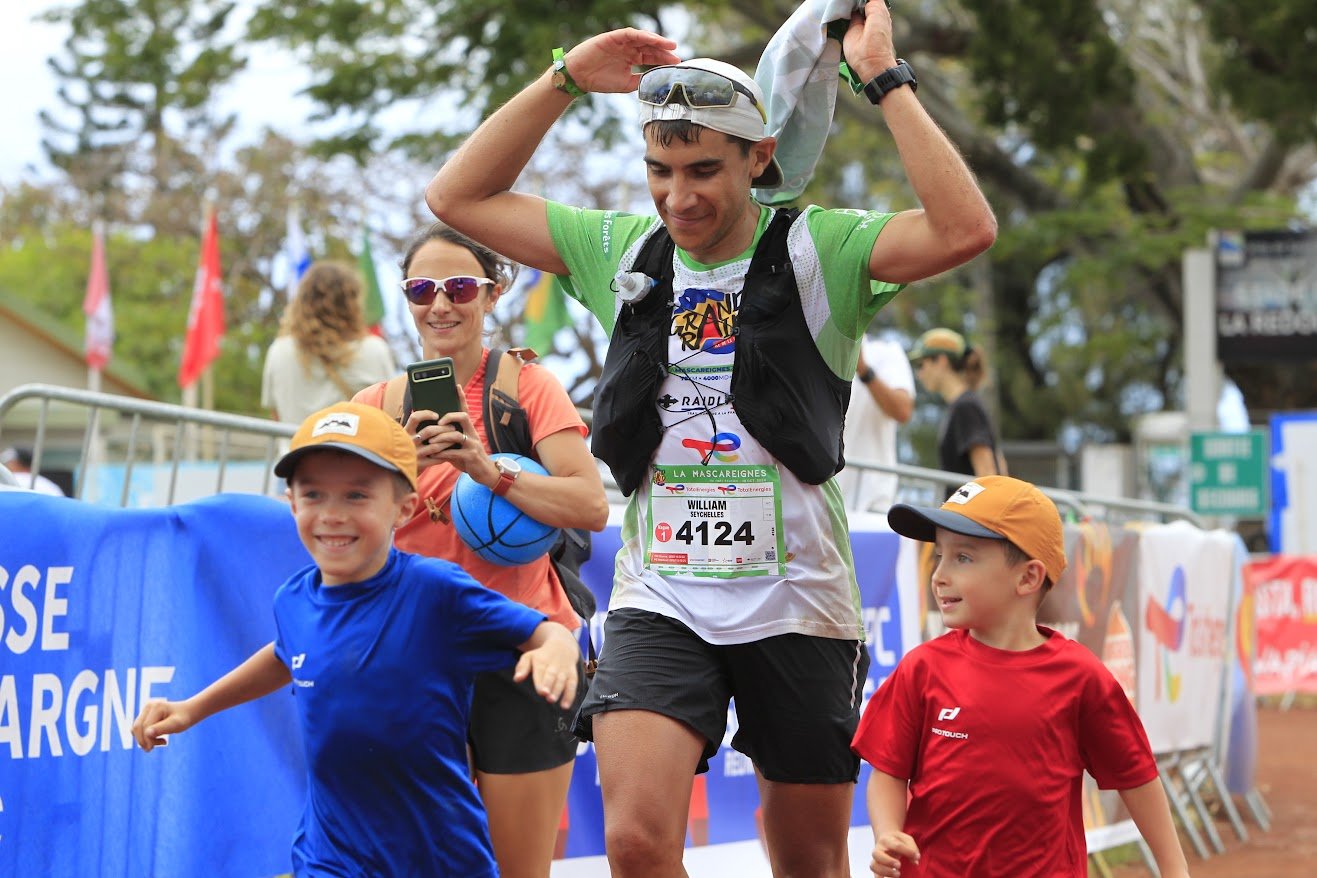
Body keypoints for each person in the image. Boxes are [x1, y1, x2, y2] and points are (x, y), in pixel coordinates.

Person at [424, 5, 996, 875]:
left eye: (702, 171)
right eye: (659, 170)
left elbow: (965, 230)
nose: (678, 197)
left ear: (759, 156)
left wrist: (882, 77)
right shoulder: (620, 251)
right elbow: (455, 198)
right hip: (664, 596)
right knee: (636, 841)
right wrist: (567, 77)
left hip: (799, 600)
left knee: (806, 858)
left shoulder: (820, 248)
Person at [131, 402, 583, 876]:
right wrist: (190, 708)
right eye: (314, 495)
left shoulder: (435, 591)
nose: (332, 515)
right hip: (330, 857)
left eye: (356, 496)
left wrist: (554, 650)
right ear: (292, 503)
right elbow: (287, 654)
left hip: (438, 857)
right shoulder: (293, 599)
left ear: (403, 507)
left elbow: (544, 630)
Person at [351, 222, 609, 878]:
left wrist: (487, 470)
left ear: (491, 295)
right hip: (413, 653)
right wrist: (399, 467)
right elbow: (343, 532)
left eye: (459, 286)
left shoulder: (526, 386)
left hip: (519, 651)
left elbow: (590, 506)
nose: (440, 303)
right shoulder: (373, 405)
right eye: (420, 289)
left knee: (517, 867)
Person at [852, 475, 1190, 878]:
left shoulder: (1081, 678)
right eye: (938, 555)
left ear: (1028, 578)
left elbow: (1137, 776)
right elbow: (889, 771)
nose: (939, 574)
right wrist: (888, 832)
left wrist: (1174, 869)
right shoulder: (921, 669)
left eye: (963, 557)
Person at [262, 260, 396, 424]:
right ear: (352, 302)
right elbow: (390, 411)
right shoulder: (375, 350)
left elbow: (276, 415)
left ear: (301, 300)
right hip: (357, 449)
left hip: (295, 448)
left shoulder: (279, 351)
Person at [908, 327, 1006, 491]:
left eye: (921, 364)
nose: (919, 374)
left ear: (942, 361)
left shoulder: (965, 406)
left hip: (968, 515)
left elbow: (988, 475)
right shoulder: (964, 405)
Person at [837, 333, 915, 512]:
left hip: (872, 502)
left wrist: (864, 370)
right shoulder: (815, 348)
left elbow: (903, 410)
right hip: (823, 501)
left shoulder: (887, 352)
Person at [0, 446, 66, 496]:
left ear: (16, 463)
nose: (6, 465)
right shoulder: (49, 485)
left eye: (9, 462)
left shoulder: (8, 481)